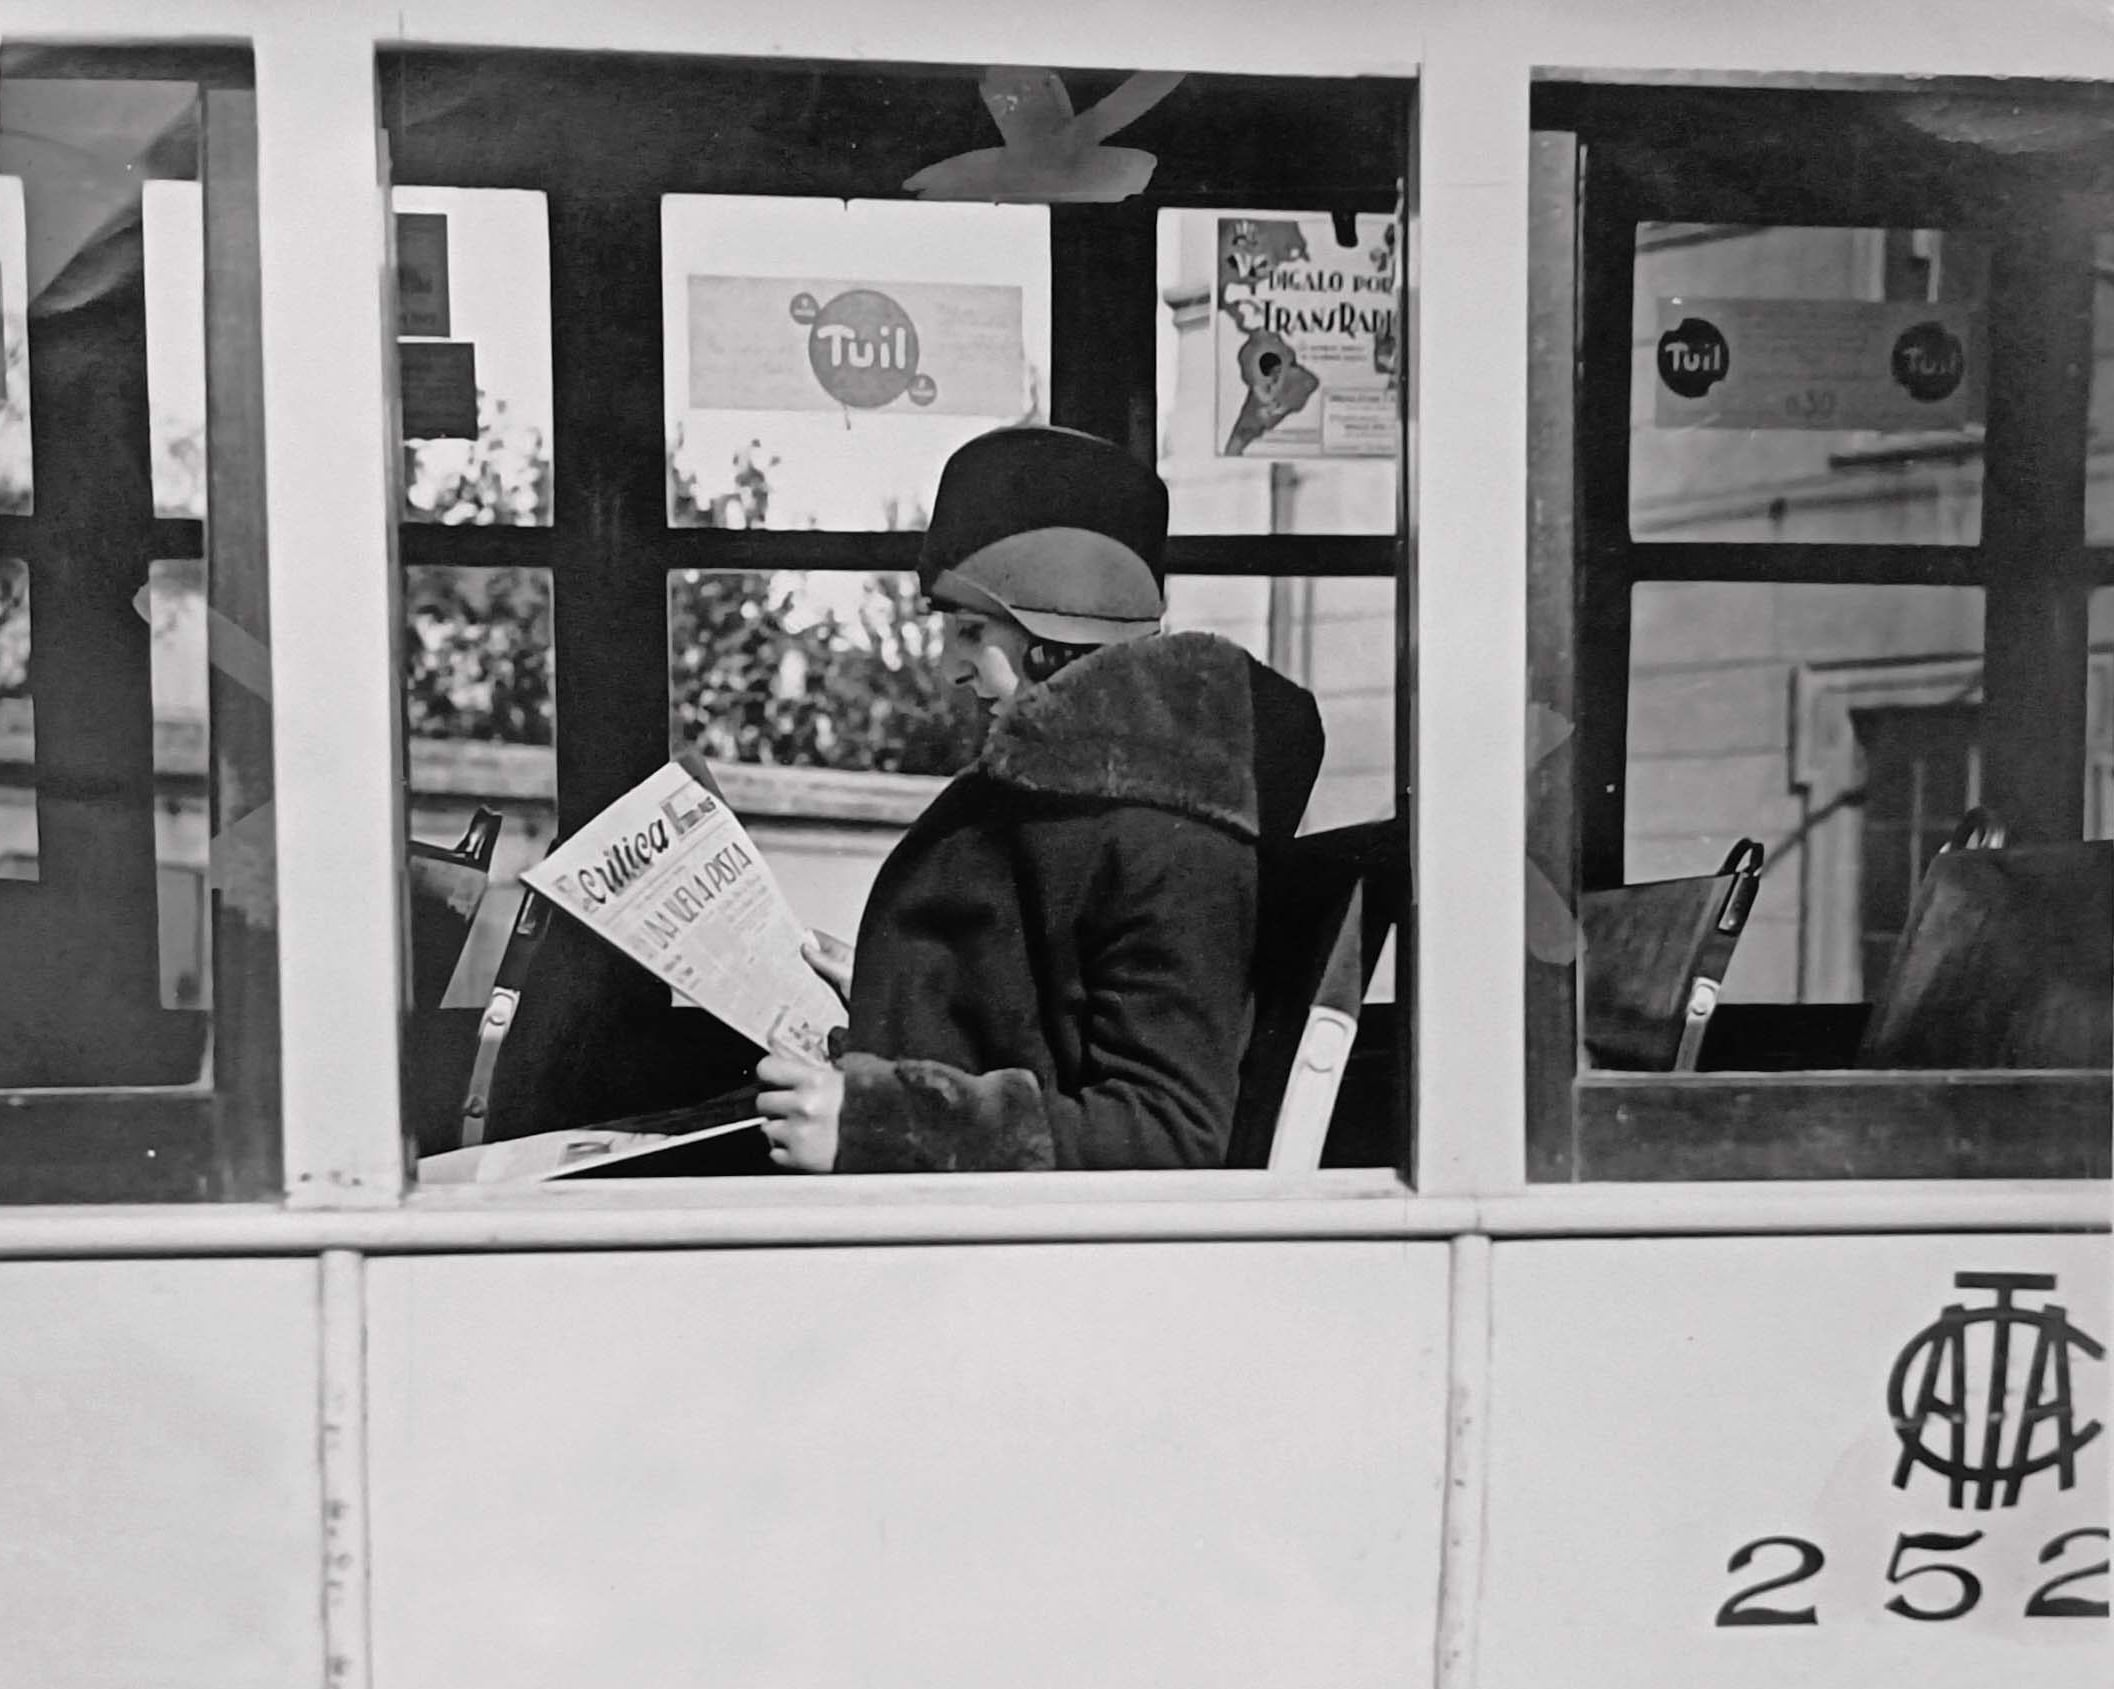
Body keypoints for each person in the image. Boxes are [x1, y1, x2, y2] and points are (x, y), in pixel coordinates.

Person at [755, 424, 1324, 1172]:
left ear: (1052, 628)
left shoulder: (1170, 835)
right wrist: (909, 992)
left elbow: (1170, 1129)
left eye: (969, 629)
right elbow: (1045, 1022)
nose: (950, 668)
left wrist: (884, 1127)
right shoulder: (1076, 800)